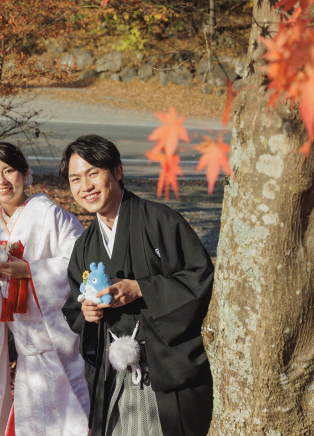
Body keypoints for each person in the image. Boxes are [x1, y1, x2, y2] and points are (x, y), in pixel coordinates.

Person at [60, 135, 214, 436]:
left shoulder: (160, 221)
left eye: (93, 173)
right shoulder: (85, 245)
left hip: (166, 373)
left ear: (117, 171)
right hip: (115, 377)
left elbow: (201, 278)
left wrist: (142, 288)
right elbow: (73, 306)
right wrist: (87, 315)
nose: (85, 186)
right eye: (75, 179)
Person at [0, 142, 90, 436]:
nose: (1, 180)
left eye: (9, 170)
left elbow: (83, 264)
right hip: (27, 354)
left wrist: (28, 270)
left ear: (24, 173)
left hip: (63, 348)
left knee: (72, 424)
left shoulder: (50, 215)